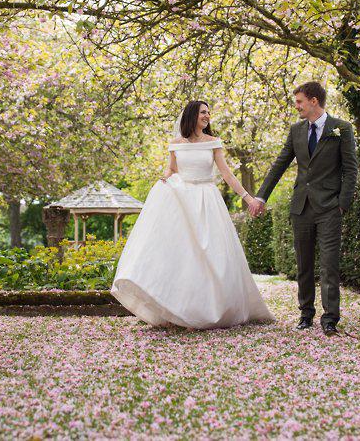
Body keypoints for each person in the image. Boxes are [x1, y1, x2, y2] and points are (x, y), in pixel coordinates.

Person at [110, 100, 276, 329]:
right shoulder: (176, 144)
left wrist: (248, 198)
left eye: (208, 112)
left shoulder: (213, 143)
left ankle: (205, 312)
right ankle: (176, 311)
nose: (207, 116)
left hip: (207, 201)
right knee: (182, 256)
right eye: (203, 112)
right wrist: (165, 178)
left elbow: (226, 174)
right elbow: (172, 169)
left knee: (210, 256)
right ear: (191, 116)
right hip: (182, 201)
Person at [248, 81, 358, 335]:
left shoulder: (341, 128)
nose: (296, 106)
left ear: (313, 101)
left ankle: (330, 318)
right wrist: (261, 197)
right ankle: (306, 315)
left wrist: (343, 204)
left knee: (329, 265)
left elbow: (351, 169)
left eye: (299, 101)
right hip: (302, 207)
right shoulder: (296, 130)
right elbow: (280, 164)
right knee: (303, 264)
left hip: (330, 207)